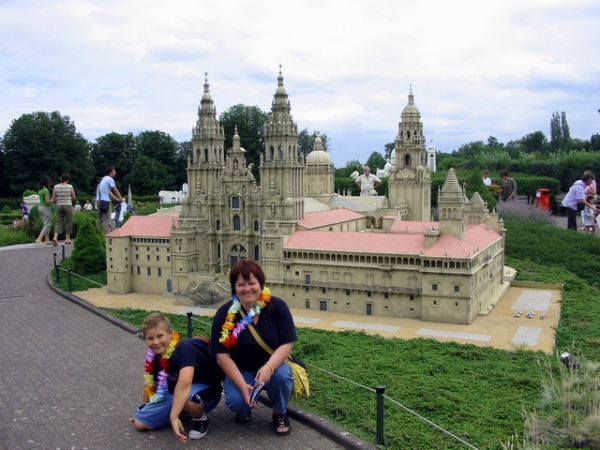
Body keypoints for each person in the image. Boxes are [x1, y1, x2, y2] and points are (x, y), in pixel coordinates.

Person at [211, 260, 296, 436]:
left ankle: (279, 412)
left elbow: (287, 343)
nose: (247, 289)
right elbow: (222, 356)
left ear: (261, 284)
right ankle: (244, 408)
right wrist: (242, 385)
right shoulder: (224, 314)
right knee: (236, 402)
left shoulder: (277, 306)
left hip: (272, 366)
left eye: (252, 283)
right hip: (241, 370)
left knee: (281, 376)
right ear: (234, 288)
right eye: (241, 284)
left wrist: (269, 367)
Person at [131, 313, 223, 442]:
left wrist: (173, 417)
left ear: (170, 333)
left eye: (160, 336)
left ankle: (200, 419)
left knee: (185, 398)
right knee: (141, 424)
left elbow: (184, 382)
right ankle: (180, 410)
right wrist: (147, 410)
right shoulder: (153, 356)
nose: (155, 342)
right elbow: (151, 384)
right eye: (150, 338)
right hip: (175, 390)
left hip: (205, 391)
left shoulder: (185, 350)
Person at [96, 166, 124, 234]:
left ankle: (96, 235)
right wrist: (121, 199)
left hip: (99, 201)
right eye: (114, 171)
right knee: (107, 221)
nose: (115, 173)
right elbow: (116, 191)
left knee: (99, 220)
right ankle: (106, 239)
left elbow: (109, 192)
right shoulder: (110, 179)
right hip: (105, 201)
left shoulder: (103, 179)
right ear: (110, 172)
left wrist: (116, 199)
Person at [51, 172, 76, 245]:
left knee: (59, 221)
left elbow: (53, 198)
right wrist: (68, 198)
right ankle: (67, 238)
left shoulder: (56, 186)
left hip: (59, 205)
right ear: (68, 180)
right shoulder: (70, 186)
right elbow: (74, 197)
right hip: (68, 204)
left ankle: (55, 237)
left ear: (61, 178)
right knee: (68, 222)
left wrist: (58, 200)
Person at [35, 176, 54, 246]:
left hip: (40, 207)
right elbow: (48, 201)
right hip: (45, 208)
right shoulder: (46, 190)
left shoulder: (40, 190)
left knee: (45, 224)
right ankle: (39, 239)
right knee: (47, 224)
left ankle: (47, 240)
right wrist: (54, 200)